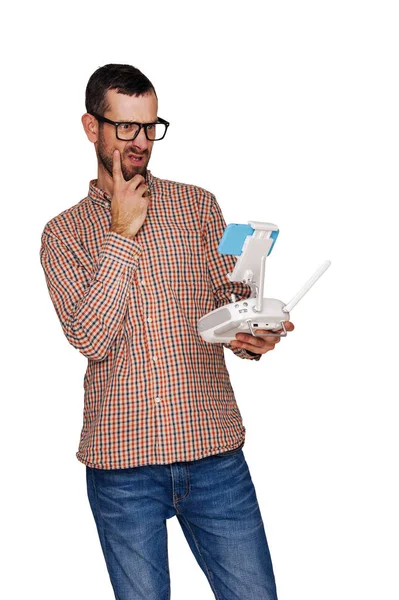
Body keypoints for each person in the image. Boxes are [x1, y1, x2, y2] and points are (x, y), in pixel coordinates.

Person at [40, 63, 295, 600]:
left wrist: (253, 335)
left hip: (214, 454)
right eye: (125, 127)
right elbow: (90, 337)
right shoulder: (62, 234)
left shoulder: (198, 205)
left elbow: (227, 309)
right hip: (122, 470)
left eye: (150, 127)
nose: (140, 142)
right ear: (93, 127)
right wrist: (122, 233)